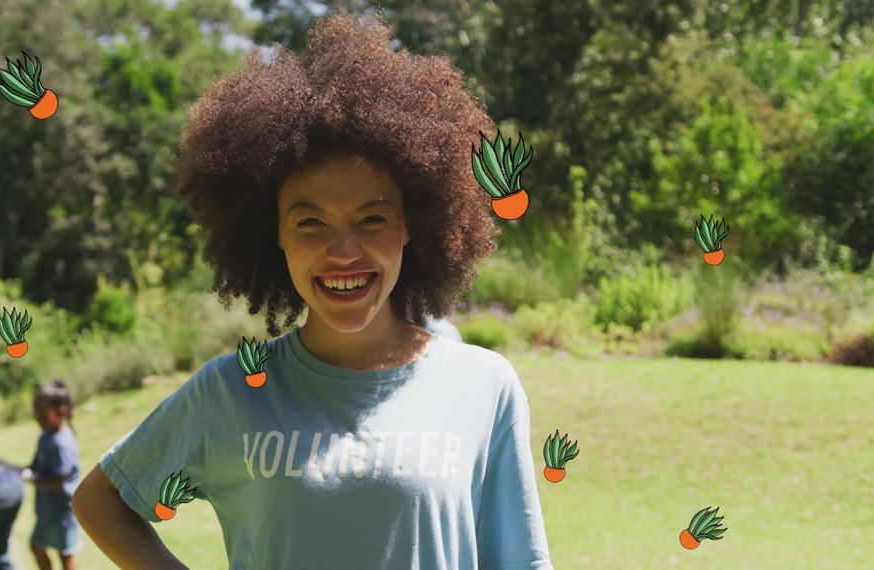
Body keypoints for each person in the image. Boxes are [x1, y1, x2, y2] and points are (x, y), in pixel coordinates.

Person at [73, 12, 552, 570]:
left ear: (411, 225)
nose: (343, 252)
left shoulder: (484, 386)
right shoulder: (230, 392)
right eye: (310, 223)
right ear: (271, 233)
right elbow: (101, 500)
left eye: (371, 220)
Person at [26, 380, 82, 570]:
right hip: (47, 510)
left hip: (63, 511)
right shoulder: (44, 436)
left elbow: (58, 482)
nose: (39, 420)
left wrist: (31, 479)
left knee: (65, 554)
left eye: (43, 415)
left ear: (62, 411)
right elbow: (33, 467)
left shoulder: (62, 443)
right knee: (36, 546)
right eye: (36, 416)